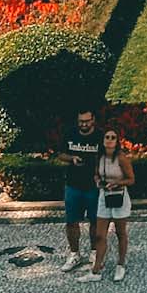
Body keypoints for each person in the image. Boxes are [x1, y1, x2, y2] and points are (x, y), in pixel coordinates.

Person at [91, 127, 136, 281]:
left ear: (117, 141)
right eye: (107, 137)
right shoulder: (100, 157)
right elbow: (96, 174)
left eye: (113, 137)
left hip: (119, 197)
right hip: (104, 196)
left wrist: (118, 183)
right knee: (99, 234)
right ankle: (96, 268)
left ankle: (120, 264)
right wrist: (98, 181)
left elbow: (131, 179)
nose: (109, 140)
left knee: (120, 232)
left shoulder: (121, 158)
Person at [60, 107, 102, 270]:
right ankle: (74, 254)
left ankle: (94, 251)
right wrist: (72, 158)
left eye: (87, 121)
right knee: (71, 222)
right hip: (73, 185)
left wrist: (99, 174)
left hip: (93, 187)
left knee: (95, 221)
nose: (84, 124)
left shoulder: (100, 136)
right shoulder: (70, 134)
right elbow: (60, 154)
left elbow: (107, 157)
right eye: (81, 121)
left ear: (93, 120)